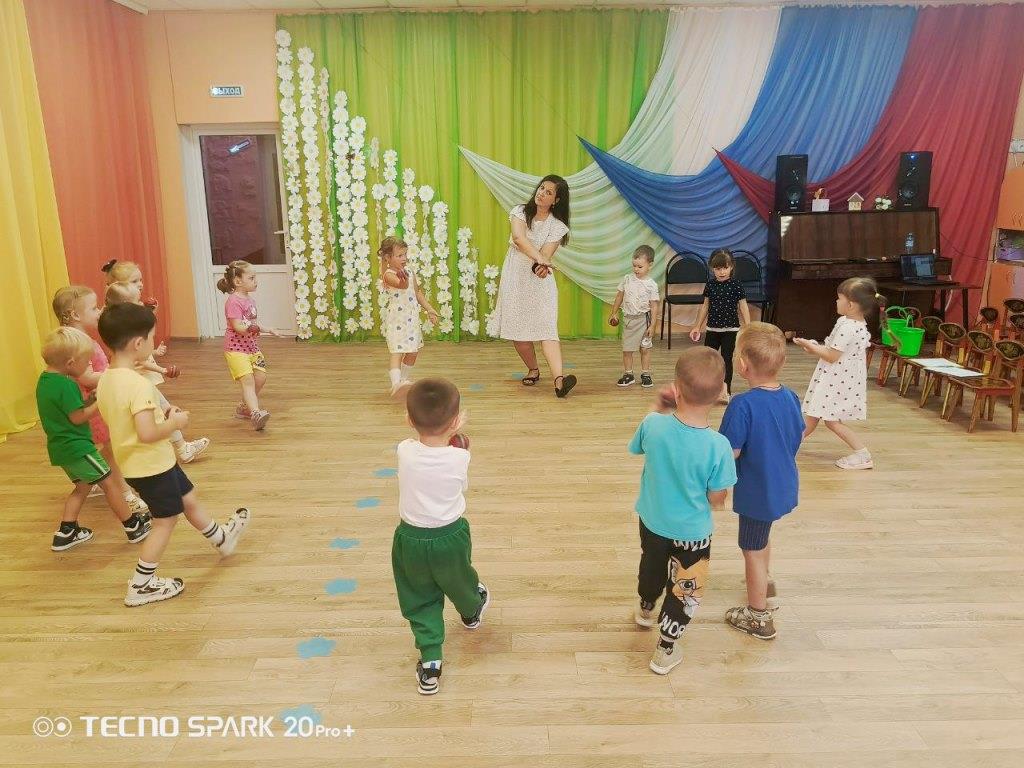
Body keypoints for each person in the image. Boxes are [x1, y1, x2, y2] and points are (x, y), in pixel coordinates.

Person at [96, 303, 251, 606]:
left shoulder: (107, 379)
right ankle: (141, 585)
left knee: (188, 498)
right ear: (138, 343)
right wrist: (175, 423)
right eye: (152, 337)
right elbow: (147, 433)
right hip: (150, 464)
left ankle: (221, 538)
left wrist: (163, 415)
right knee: (165, 521)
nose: (153, 343)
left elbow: (127, 421)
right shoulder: (138, 384)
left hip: (142, 462)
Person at [630, 348, 737, 675]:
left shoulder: (653, 425)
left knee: (651, 565)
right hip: (692, 533)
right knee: (686, 587)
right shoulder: (719, 445)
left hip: (652, 521)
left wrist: (657, 407)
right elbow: (717, 497)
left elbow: (637, 446)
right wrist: (715, 496)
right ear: (720, 394)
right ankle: (665, 648)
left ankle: (646, 607)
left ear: (675, 389)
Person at [391, 378, 488, 695]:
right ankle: (471, 610)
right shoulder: (460, 457)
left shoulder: (404, 451)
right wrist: (459, 438)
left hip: (410, 539)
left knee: (419, 598)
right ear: (457, 421)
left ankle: (431, 662)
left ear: (409, 420)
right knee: (460, 579)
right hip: (450, 535)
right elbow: (459, 458)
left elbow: (416, 437)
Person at [719, 322, 804, 640]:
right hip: (783, 484)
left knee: (751, 548)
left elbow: (730, 452)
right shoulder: (790, 396)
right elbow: (798, 434)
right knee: (761, 538)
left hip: (758, 492)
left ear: (742, 365)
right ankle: (764, 586)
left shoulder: (742, 404)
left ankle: (757, 616)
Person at [36, 326, 152, 551]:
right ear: (71, 362)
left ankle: (67, 531)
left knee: (82, 488)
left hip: (61, 448)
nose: (89, 365)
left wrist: (90, 399)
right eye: (86, 361)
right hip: (78, 448)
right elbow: (78, 417)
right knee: (109, 483)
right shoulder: (67, 384)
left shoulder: (45, 381)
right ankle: (132, 525)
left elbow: (67, 410)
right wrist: (100, 402)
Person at [52, 285, 148, 515]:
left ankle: (97, 477)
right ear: (75, 315)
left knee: (110, 446)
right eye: (94, 308)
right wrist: (115, 373)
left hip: (98, 400)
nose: (100, 311)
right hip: (92, 403)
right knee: (111, 447)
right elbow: (85, 377)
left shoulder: (80, 339)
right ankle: (126, 494)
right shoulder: (77, 343)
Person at [489, 175, 578, 398]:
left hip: (540, 285)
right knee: (519, 334)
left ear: (556, 200)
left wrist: (541, 267)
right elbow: (519, 239)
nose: (541, 193)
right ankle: (533, 369)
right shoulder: (520, 212)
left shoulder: (557, 226)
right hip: (515, 277)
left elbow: (546, 254)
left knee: (548, 330)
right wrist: (541, 260)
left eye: (548, 192)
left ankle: (559, 382)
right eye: (541, 188)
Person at [105, 281, 210, 460]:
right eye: (136, 301)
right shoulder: (130, 338)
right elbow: (141, 360)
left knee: (163, 410)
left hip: (139, 382)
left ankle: (182, 447)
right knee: (162, 412)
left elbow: (139, 356)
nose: (141, 304)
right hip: (141, 383)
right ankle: (182, 448)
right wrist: (162, 369)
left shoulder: (121, 336)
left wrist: (154, 352)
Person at [796, 276, 883, 470]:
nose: (836, 301)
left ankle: (863, 454)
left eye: (839, 298)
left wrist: (811, 346)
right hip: (837, 379)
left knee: (829, 420)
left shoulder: (849, 327)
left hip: (835, 381)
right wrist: (814, 347)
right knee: (815, 416)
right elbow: (833, 350)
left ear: (850, 305)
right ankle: (786, 448)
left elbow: (832, 355)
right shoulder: (849, 323)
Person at [216, 260, 273, 430]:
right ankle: (255, 413)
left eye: (255, 277)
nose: (256, 281)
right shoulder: (233, 302)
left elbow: (251, 323)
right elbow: (238, 326)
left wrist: (267, 329)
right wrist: (251, 328)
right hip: (235, 349)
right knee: (248, 380)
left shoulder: (250, 300)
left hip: (251, 347)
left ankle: (243, 407)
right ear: (238, 281)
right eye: (251, 278)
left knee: (260, 378)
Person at [688, 248, 751, 401]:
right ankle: (708, 388)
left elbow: (743, 306)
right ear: (712, 268)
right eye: (717, 268)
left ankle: (725, 391)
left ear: (731, 267)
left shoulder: (736, 285)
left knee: (726, 359)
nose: (721, 272)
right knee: (709, 359)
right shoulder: (710, 285)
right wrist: (697, 326)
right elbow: (705, 306)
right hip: (712, 330)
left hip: (731, 330)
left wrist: (749, 327)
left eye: (725, 268)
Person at [380, 237, 439, 396]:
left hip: (411, 319)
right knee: (397, 351)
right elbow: (402, 285)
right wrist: (404, 278)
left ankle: (403, 381)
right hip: (397, 319)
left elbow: (417, 292)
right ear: (388, 258)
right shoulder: (388, 275)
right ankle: (396, 384)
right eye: (399, 255)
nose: (404, 258)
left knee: (413, 352)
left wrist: (429, 309)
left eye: (405, 254)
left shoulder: (410, 271)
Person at [609, 245, 660, 388]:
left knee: (645, 349)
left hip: (644, 320)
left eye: (640, 267)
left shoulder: (651, 285)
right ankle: (628, 374)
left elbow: (654, 306)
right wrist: (613, 312)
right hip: (629, 320)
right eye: (634, 266)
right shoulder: (627, 279)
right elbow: (619, 296)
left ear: (650, 265)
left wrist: (653, 325)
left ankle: (645, 374)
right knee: (627, 349)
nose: (636, 269)